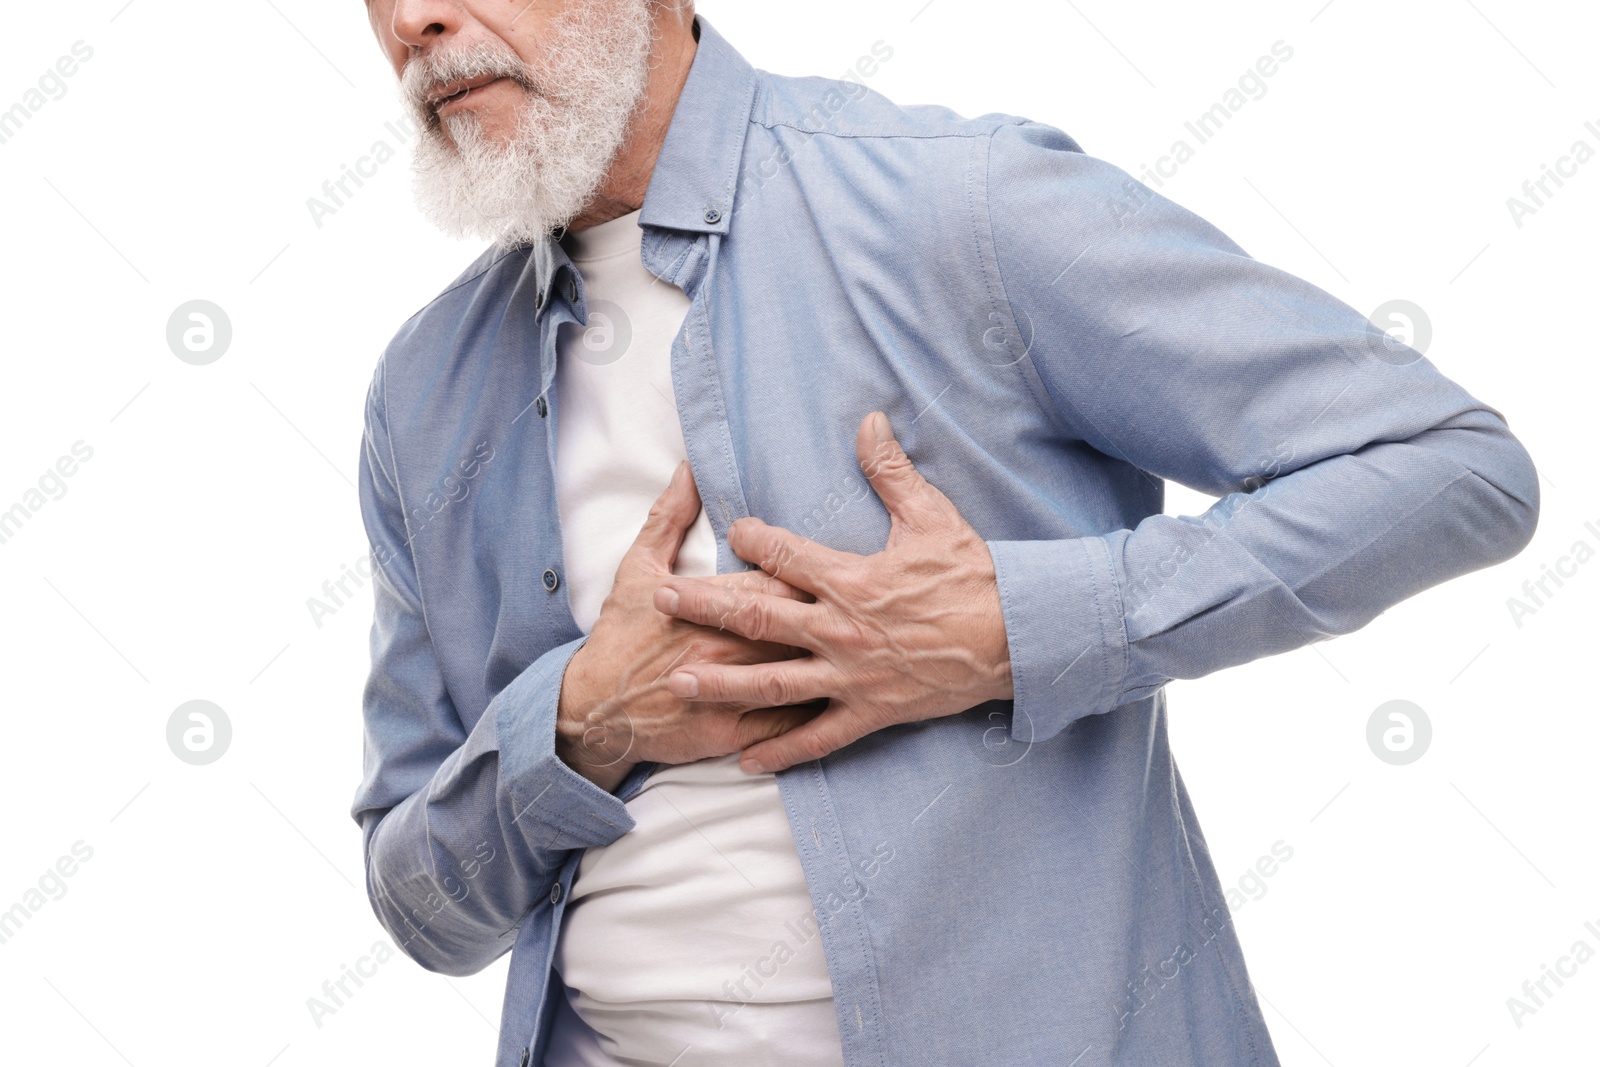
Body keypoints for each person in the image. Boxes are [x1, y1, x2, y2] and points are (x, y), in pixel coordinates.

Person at [348, 3, 1540, 1066]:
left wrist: (1012, 628)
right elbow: (420, 900)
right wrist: (578, 723)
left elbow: (1447, 467)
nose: (413, 23)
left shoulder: (959, 202)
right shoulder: (423, 391)